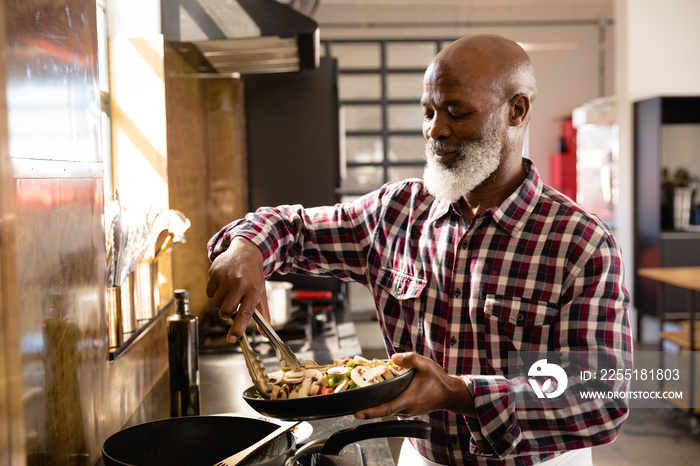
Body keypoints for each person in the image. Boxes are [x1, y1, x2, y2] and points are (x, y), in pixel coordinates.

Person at [206, 34, 632, 466]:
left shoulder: (579, 243)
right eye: (428, 111)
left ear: (516, 110)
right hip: (422, 457)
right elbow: (291, 229)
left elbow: (599, 397)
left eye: (456, 111)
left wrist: (458, 394)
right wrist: (247, 247)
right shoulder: (396, 213)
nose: (435, 129)